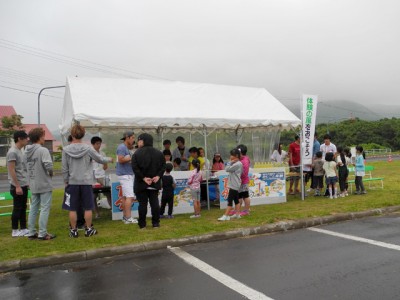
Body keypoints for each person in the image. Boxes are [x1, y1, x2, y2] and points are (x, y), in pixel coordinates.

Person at [62, 125, 112, 238]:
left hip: (72, 182)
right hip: (86, 182)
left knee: (72, 208)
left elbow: (64, 168)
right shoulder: (88, 148)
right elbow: (99, 159)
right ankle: (89, 229)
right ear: (83, 134)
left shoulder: (65, 149)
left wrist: (66, 180)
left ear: (72, 134)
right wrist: (109, 159)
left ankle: (73, 231)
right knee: (88, 207)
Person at [25, 127, 55, 240]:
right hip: (44, 183)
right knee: (44, 208)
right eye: (43, 136)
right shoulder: (43, 150)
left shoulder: (26, 151)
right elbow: (49, 165)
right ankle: (42, 233)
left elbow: (24, 166)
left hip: (33, 182)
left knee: (33, 208)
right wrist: (51, 173)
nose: (44, 138)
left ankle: (31, 232)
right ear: (39, 137)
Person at [132, 133, 166, 229]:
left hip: (141, 183)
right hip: (154, 182)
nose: (138, 142)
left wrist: (143, 178)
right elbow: (164, 166)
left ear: (142, 141)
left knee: (142, 204)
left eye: (139, 140)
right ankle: (156, 223)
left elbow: (135, 168)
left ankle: (142, 224)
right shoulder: (159, 153)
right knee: (154, 203)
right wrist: (158, 176)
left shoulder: (136, 153)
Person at [7, 130, 29, 237]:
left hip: (23, 184)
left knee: (23, 207)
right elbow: (12, 170)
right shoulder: (13, 152)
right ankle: (15, 230)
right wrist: (17, 186)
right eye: (25, 138)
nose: (27, 140)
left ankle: (23, 228)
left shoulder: (20, 150)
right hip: (17, 185)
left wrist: (26, 183)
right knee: (17, 207)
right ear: (19, 139)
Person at [116, 131, 138, 224]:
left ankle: (125, 217)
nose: (133, 139)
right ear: (127, 137)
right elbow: (120, 159)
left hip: (126, 174)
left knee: (126, 197)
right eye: (132, 137)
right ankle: (128, 218)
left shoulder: (125, 147)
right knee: (130, 196)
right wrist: (131, 157)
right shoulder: (121, 147)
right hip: (125, 175)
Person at [218, 149, 243, 221]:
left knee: (230, 201)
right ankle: (238, 214)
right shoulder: (238, 163)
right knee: (236, 200)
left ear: (236, 156)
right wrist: (231, 162)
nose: (230, 156)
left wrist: (230, 162)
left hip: (234, 185)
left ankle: (225, 215)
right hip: (235, 184)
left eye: (232, 155)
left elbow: (227, 169)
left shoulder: (237, 164)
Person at [91, 136, 112, 214]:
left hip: (102, 177)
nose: (99, 145)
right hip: (93, 178)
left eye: (100, 143)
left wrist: (104, 165)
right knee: (93, 196)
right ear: (93, 144)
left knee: (108, 193)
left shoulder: (102, 153)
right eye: (97, 143)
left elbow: (105, 167)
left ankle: (112, 210)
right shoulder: (90, 153)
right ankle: (97, 213)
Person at [236, 144, 251, 216]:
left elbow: (244, 173)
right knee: (240, 196)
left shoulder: (244, 161)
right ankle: (238, 210)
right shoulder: (244, 159)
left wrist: (239, 179)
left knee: (245, 196)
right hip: (241, 181)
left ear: (240, 152)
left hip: (243, 181)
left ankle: (246, 210)